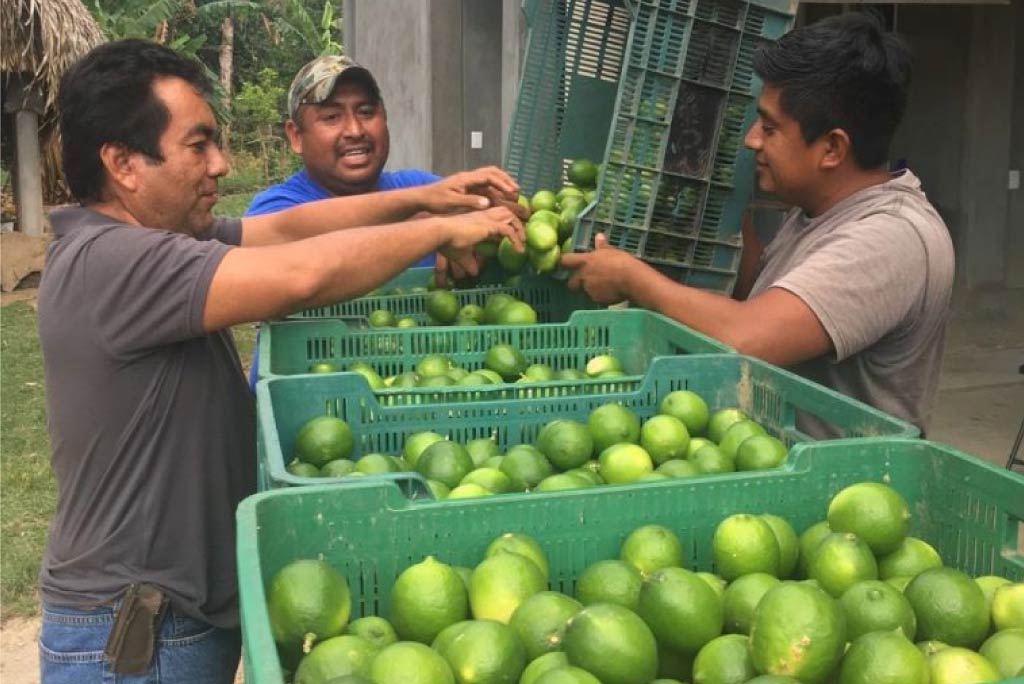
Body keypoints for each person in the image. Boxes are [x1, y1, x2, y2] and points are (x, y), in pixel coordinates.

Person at [36, 39, 523, 684]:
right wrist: (437, 231)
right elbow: (299, 274)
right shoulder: (112, 263)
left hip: (169, 615)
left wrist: (427, 198)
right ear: (124, 163)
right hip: (136, 632)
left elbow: (295, 229)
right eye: (198, 145)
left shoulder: (156, 239)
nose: (221, 164)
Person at [561, 13, 954, 436]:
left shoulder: (892, 237)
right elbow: (751, 302)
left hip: (844, 487)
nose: (752, 140)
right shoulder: (814, 211)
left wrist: (630, 276)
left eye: (769, 127)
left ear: (832, 148)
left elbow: (747, 336)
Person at [242, 55, 461, 386]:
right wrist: (430, 229)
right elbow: (298, 266)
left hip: (417, 390)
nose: (355, 130)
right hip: (310, 399)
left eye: (366, 112)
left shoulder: (423, 188)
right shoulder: (277, 209)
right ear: (296, 136)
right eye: (331, 117)